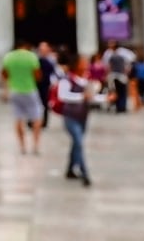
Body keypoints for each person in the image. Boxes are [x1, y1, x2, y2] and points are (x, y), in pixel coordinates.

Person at [56, 54, 96, 187]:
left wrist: (107, 98)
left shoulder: (86, 81)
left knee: (76, 144)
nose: (86, 65)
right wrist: (81, 96)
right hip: (70, 117)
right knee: (79, 142)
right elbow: (63, 96)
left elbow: (91, 97)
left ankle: (70, 170)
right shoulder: (66, 80)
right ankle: (85, 173)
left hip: (83, 117)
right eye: (83, 62)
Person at [1, 39, 44, 154]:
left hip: (14, 91)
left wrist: (6, 89)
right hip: (29, 90)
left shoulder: (8, 57)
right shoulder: (31, 57)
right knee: (37, 117)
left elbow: (4, 74)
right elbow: (38, 75)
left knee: (18, 119)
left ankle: (22, 146)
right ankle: (35, 145)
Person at [101, 39, 135, 113]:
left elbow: (108, 67)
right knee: (121, 92)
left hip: (115, 76)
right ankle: (121, 107)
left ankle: (119, 106)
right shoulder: (116, 55)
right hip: (119, 76)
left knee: (118, 91)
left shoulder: (115, 55)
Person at [36, 41, 58, 127]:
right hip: (36, 84)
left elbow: (54, 72)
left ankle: (44, 122)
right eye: (41, 48)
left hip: (46, 85)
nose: (42, 50)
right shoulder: (35, 58)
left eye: (44, 48)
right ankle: (32, 121)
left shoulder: (51, 59)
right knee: (35, 103)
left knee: (45, 103)